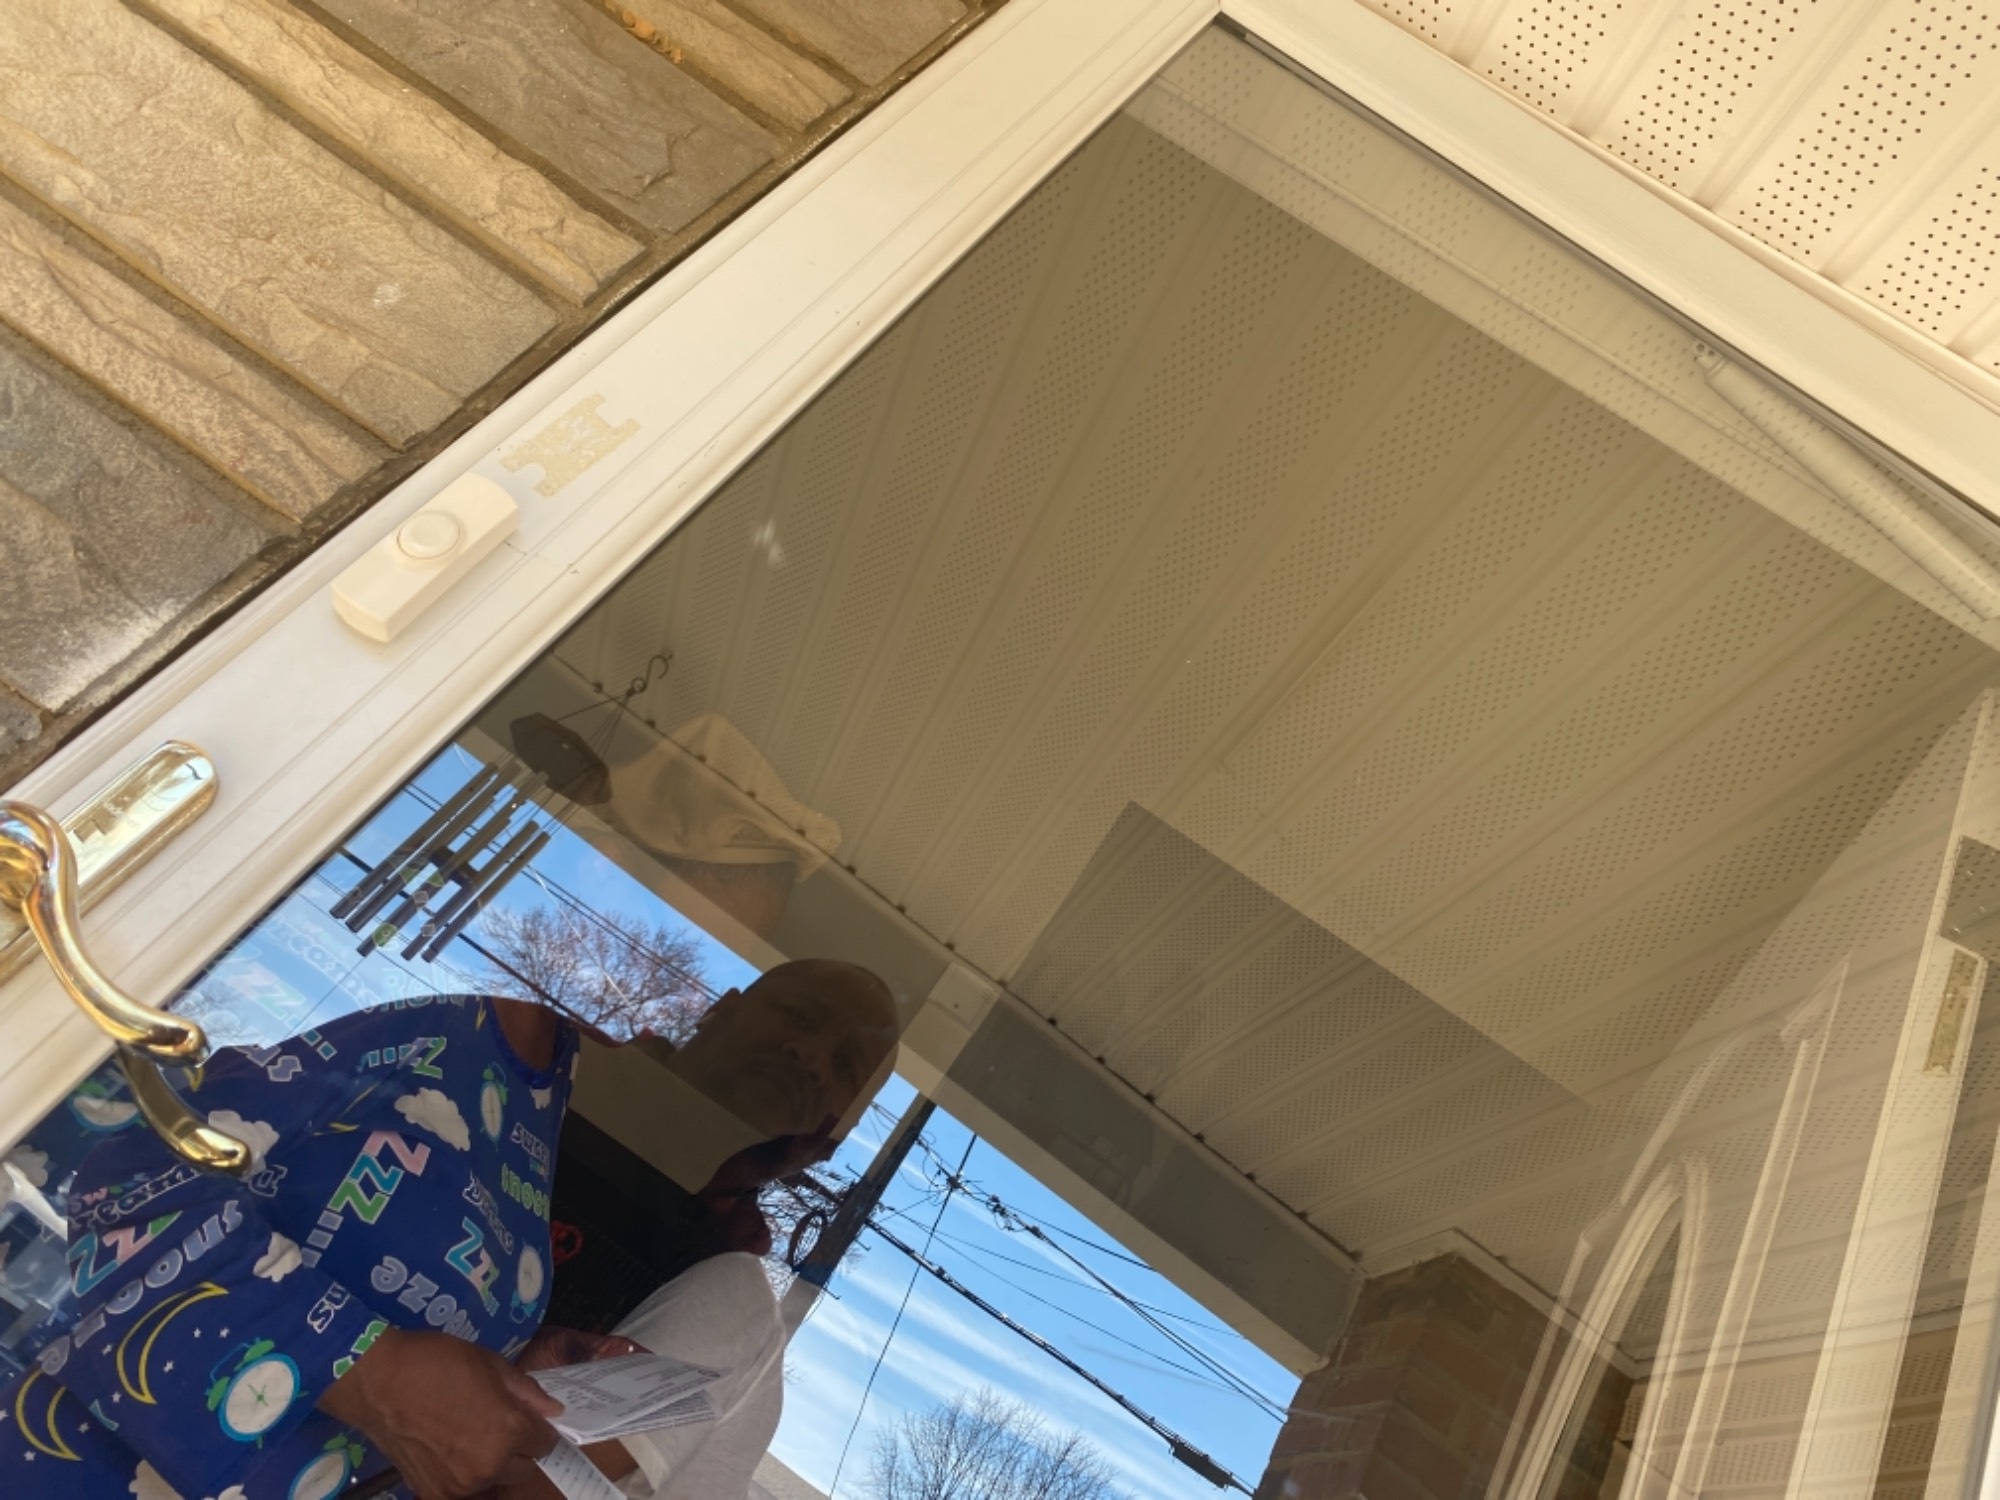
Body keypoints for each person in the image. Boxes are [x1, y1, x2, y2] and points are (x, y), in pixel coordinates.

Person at [0, 958, 897, 1500]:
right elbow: (117, 1165)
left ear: (825, 1142)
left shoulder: (715, 1275)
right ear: (721, 1007)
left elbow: (436, 1448)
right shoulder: (475, 1040)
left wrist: (515, 1382)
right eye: (801, 1017)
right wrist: (365, 1365)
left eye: (844, 1064)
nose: (809, 1054)